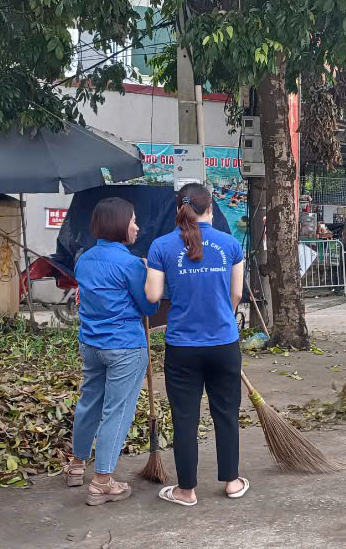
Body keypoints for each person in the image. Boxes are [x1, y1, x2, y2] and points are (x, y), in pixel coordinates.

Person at [145, 183, 248, 507]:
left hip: (182, 347)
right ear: (210, 210)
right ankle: (232, 482)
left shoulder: (161, 246)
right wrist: (223, 316)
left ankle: (186, 490)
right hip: (223, 343)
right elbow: (236, 294)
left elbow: (153, 296)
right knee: (226, 413)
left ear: (179, 209)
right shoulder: (230, 244)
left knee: (185, 418)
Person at [66, 197, 159, 506]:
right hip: (125, 347)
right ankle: (102, 481)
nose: (137, 227)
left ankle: (76, 465)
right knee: (116, 411)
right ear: (120, 225)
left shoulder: (84, 259)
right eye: (133, 221)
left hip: (91, 344)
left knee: (89, 403)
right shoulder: (130, 264)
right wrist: (147, 273)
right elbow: (148, 307)